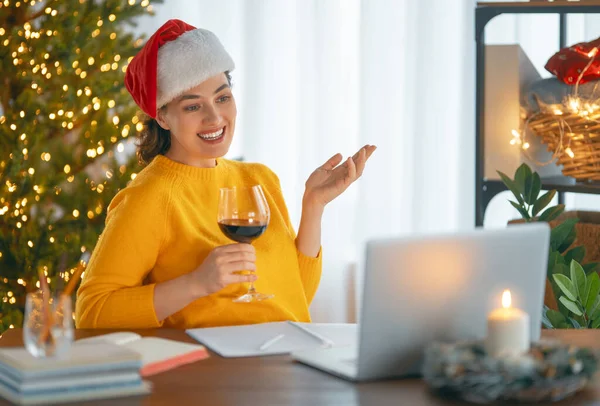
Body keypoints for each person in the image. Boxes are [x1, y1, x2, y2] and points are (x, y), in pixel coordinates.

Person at [75, 19, 376, 329]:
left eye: (222, 98)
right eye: (193, 106)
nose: (215, 117)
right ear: (162, 116)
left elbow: (293, 298)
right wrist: (195, 284)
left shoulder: (259, 180)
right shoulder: (149, 197)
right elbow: (91, 312)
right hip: (213, 370)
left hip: (281, 359)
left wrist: (314, 206)